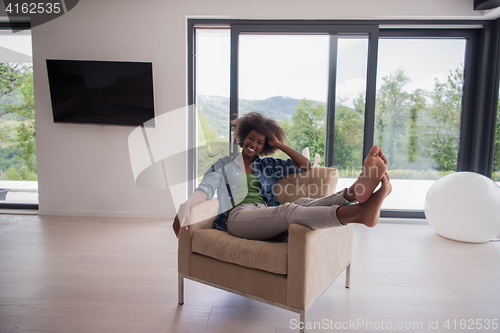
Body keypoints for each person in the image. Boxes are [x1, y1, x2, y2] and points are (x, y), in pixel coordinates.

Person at [173, 112, 391, 240]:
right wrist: (186, 204)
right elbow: (206, 189)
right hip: (237, 218)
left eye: (260, 142)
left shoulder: (267, 165)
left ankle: (356, 192)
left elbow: (305, 166)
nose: (254, 144)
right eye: (251, 138)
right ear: (242, 137)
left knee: (306, 202)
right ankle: (358, 213)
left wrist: (278, 144)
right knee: (290, 210)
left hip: (265, 211)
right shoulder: (224, 165)